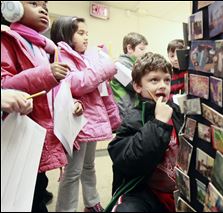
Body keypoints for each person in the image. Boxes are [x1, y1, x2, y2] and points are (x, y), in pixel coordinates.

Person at [1, 1, 79, 212]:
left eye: (45, 4)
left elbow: (53, 95)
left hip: (39, 136)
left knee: (38, 187)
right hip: (19, 135)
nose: (43, 9)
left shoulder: (44, 48)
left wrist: (72, 104)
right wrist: (47, 74)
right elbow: (4, 86)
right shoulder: (7, 39)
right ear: (11, 6)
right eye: (34, 3)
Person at [50, 16, 121, 212]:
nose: (86, 37)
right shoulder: (61, 55)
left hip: (92, 121)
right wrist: (105, 68)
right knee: (72, 172)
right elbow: (77, 82)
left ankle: (92, 202)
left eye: (87, 33)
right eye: (81, 33)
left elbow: (102, 91)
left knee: (89, 166)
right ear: (66, 34)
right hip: (76, 123)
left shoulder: (88, 56)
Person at [108, 52, 184, 212]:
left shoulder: (176, 112)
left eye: (167, 80)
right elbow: (127, 160)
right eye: (154, 80)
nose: (163, 85)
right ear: (137, 86)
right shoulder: (133, 118)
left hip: (177, 192)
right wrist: (158, 124)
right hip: (146, 194)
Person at [110, 32, 148, 120]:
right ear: (130, 48)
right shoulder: (119, 66)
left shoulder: (133, 65)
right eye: (141, 49)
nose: (144, 53)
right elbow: (136, 85)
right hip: (126, 111)